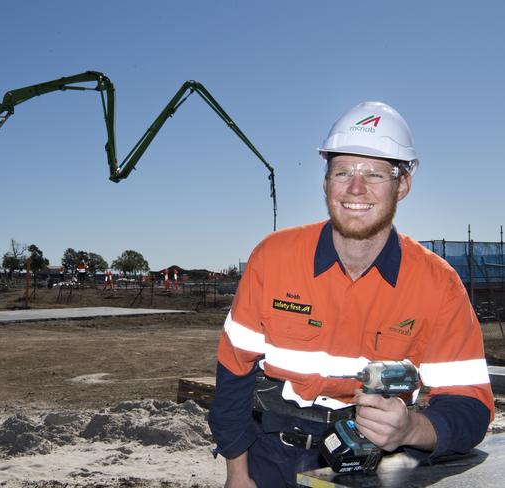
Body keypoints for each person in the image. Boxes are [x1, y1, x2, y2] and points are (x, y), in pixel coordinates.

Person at [208, 101, 494, 487]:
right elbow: (233, 375)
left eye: (375, 174)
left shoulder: (437, 284)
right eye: (342, 171)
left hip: (378, 466)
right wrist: (237, 473)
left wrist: (411, 429)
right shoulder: (272, 258)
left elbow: (470, 405)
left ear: (403, 184)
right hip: (270, 460)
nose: (355, 188)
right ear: (326, 182)